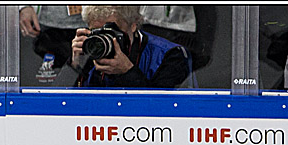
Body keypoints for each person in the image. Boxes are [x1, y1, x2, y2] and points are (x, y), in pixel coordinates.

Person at [56, 4, 195, 88]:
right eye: (96, 32)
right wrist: (74, 66)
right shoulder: (90, 50)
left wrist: (127, 71)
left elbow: (162, 109)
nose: (103, 39)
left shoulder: (169, 55)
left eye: (110, 31)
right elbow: (56, 105)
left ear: (133, 24)